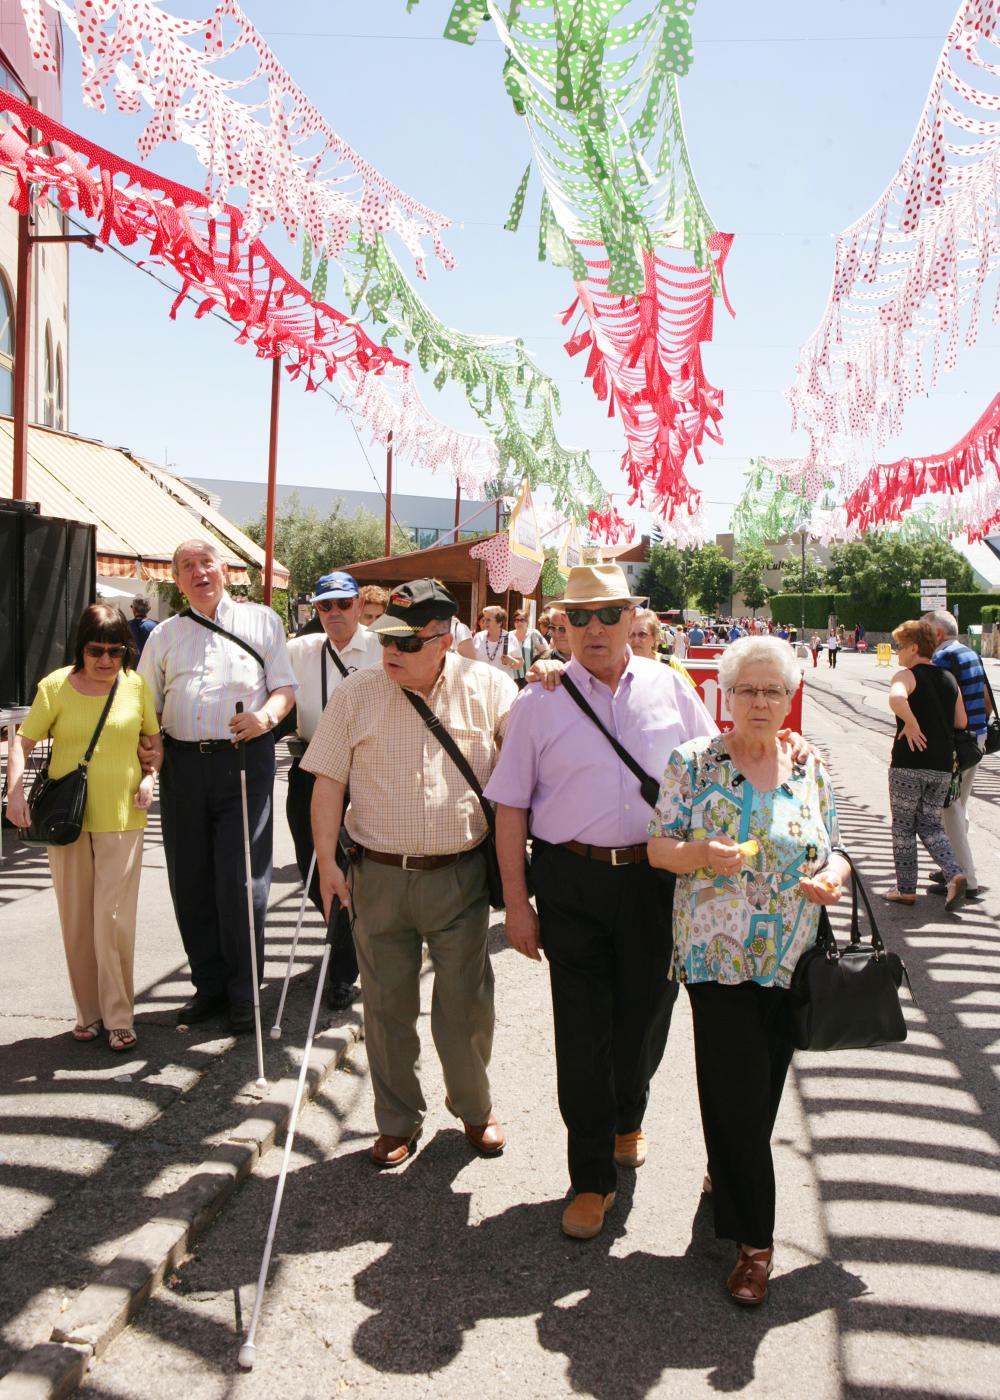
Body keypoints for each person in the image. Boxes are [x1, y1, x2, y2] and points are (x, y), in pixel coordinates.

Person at [487, 564, 718, 1240]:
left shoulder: (673, 689)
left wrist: (781, 748)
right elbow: (509, 807)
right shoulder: (538, 701)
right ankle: (590, 1177)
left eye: (607, 614)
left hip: (656, 880)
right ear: (560, 624)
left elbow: (717, 765)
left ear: (631, 620)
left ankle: (628, 1115)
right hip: (571, 883)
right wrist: (516, 902)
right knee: (583, 1033)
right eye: (578, 617)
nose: (593, 629)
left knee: (647, 1016)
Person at [648, 635, 848, 1306]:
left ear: (790, 698)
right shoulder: (693, 762)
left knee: (760, 1090)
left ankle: (725, 1168)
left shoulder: (809, 764)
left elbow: (838, 850)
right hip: (718, 953)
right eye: (748, 690)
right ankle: (754, 1246)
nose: (761, 702)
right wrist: (699, 850)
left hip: (792, 955)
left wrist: (832, 879)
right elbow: (657, 849)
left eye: (773, 691)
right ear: (725, 696)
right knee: (736, 1088)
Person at [304, 579, 516, 1166]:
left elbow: (530, 766)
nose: (391, 652)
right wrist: (326, 864)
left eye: (409, 642)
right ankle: (397, 1121)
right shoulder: (356, 693)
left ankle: (475, 1109)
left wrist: (551, 678)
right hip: (377, 876)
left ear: (445, 640)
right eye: (387, 639)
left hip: (460, 876)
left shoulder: (493, 688)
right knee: (386, 1006)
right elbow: (327, 783)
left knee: (467, 1005)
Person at [138, 539, 297, 1033]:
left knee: (242, 881)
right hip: (182, 766)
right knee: (190, 880)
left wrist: (266, 718)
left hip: (242, 760)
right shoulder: (164, 633)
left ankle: (245, 994)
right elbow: (147, 703)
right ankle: (208, 987)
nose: (198, 572)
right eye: (186, 566)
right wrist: (153, 747)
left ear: (224, 570)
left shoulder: (263, 621)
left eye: (205, 563)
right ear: (178, 580)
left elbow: (285, 688)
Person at [6, 605, 163, 1052]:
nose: (107, 661)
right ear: (81, 647)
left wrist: (151, 778)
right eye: (97, 650)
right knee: (77, 922)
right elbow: (22, 741)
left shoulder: (134, 686)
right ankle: (88, 1013)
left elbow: (154, 745)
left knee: (111, 922)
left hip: (122, 817)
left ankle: (118, 1016)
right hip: (65, 822)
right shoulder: (55, 686)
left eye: (117, 651)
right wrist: (14, 793)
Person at [286, 572, 381, 1010]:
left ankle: (343, 970)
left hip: (366, 773)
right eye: (326, 606)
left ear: (360, 605)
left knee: (356, 868)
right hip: (310, 769)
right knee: (314, 866)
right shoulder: (298, 651)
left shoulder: (383, 649)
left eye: (343, 604)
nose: (335, 614)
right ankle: (350, 943)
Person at [884, 619, 967, 910]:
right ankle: (954, 874)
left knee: (904, 827)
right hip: (941, 764)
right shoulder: (948, 678)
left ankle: (906, 889)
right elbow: (961, 721)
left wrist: (911, 720)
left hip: (909, 762)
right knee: (931, 825)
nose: (897, 652)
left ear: (914, 648)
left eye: (900, 646)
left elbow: (896, 698)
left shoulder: (906, 675)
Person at [924, 609, 991, 901]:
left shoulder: (942, 658)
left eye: (925, 631)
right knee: (959, 804)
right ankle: (952, 866)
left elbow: (939, 704)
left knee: (950, 809)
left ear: (938, 634)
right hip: (977, 739)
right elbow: (987, 699)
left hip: (956, 742)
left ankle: (967, 877)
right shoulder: (968, 653)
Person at [472, 604, 523, 673]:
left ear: (499, 622)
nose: (485, 622)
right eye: (484, 620)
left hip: (502, 682)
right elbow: (471, 659)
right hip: (482, 681)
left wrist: (511, 661)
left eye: (488, 620)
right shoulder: (478, 637)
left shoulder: (510, 638)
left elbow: (520, 664)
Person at [511, 608, 549, 687]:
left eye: (522, 620)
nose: (519, 622)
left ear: (527, 622)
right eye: (516, 620)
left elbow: (546, 652)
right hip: (512, 678)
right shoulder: (509, 635)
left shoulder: (533, 634)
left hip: (530, 678)